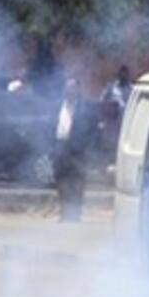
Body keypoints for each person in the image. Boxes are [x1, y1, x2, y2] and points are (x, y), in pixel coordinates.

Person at [54, 78, 96, 222]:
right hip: (60, 148)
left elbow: (93, 129)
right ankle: (64, 212)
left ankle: (75, 214)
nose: (69, 91)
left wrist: (85, 147)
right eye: (67, 88)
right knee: (61, 181)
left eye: (72, 88)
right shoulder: (58, 106)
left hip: (77, 151)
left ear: (77, 90)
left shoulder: (85, 108)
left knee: (77, 183)